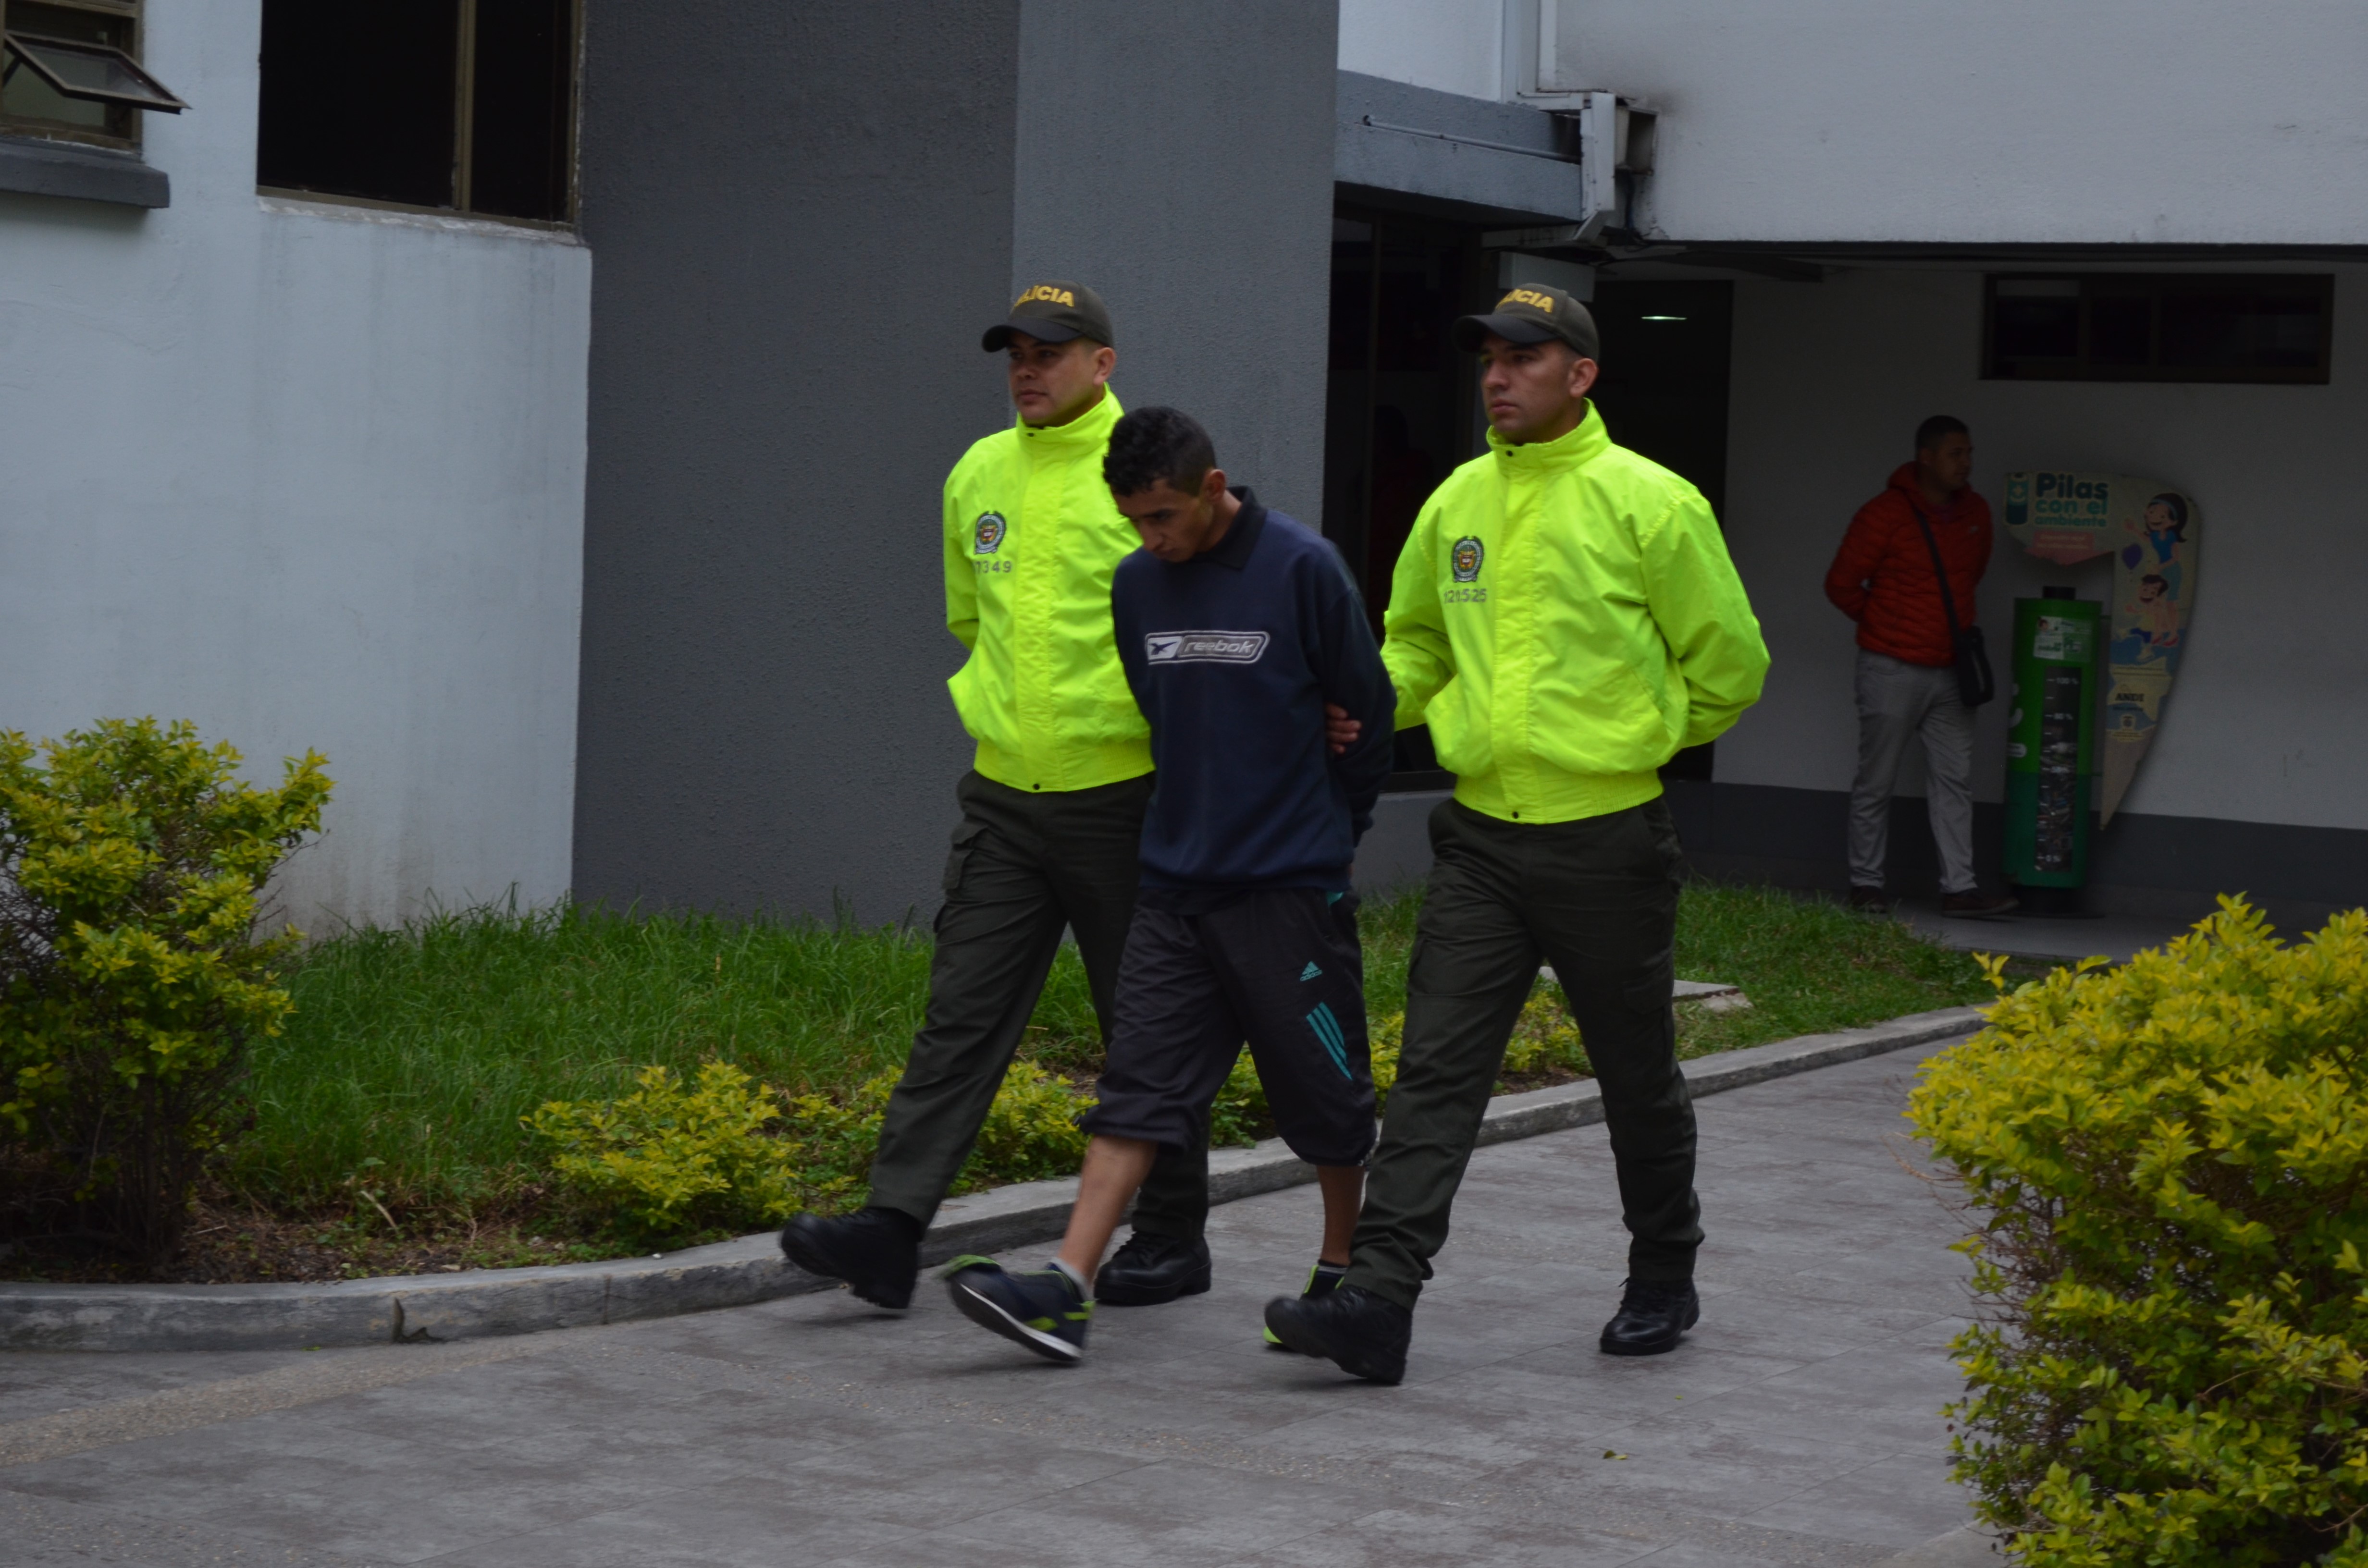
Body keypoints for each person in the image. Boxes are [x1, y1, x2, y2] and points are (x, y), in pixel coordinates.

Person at [1264, 284, 1770, 1385]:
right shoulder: (1456, 504)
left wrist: (1641, 736)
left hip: (1609, 840)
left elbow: (1734, 665)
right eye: (1488, 358)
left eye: (1524, 358)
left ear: (1580, 375)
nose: (1497, 376)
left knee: (1635, 1071)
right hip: (1483, 840)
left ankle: (1663, 1271)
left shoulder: (1652, 503)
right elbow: (1415, 650)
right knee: (1438, 1070)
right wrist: (1359, 700)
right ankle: (1379, 1302)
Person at [779, 283, 1218, 1310]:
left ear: (1102, 364)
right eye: (1015, 353)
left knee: (1147, 1028)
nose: (1028, 369)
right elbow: (972, 623)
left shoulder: (1152, 471)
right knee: (959, 1016)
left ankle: (1171, 1238)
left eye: (1051, 352)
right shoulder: (977, 471)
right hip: (1005, 803)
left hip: (1127, 800)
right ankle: (891, 1229)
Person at [943, 407, 1397, 1363]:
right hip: (1173, 887)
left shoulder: (1301, 568)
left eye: (1162, 517)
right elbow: (1168, 714)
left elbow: (1368, 710)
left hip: (1286, 891)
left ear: (1211, 487)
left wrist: (1329, 837)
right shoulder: (1136, 586)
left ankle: (1343, 1269)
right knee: (1135, 1091)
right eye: (1134, 521)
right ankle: (1066, 1289)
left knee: (1326, 1098)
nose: (1151, 538)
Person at [1823, 416, 2015, 917]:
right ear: (1925, 458)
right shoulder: (1883, 514)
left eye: (1968, 452)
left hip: (1951, 668)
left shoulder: (1974, 513)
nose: (1966, 463)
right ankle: (1865, 884)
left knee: (1954, 780)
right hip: (1890, 667)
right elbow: (1841, 583)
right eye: (1955, 453)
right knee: (1876, 779)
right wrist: (1887, 625)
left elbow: (1971, 576)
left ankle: (1960, 889)